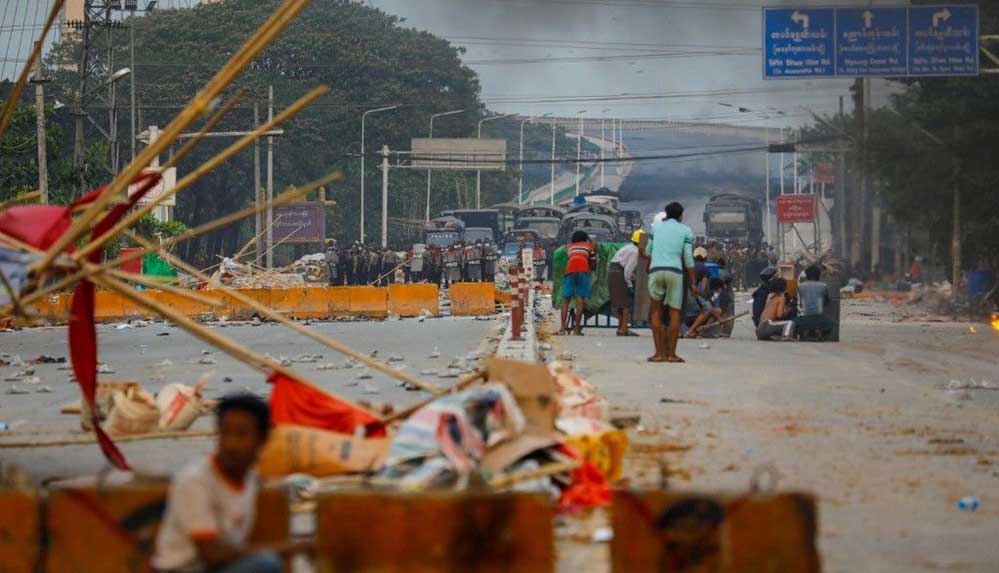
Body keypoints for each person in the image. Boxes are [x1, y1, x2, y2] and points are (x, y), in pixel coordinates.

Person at [152, 394, 309, 573]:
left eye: (242, 435)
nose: (231, 444)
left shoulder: (249, 476)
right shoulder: (195, 482)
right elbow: (212, 555)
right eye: (226, 433)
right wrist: (289, 548)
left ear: (262, 440)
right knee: (266, 563)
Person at [647, 202, 697, 363]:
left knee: (656, 311)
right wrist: (693, 283)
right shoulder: (686, 230)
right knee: (674, 312)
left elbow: (648, 251)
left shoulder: (656, 229)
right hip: (675, 272)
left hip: (656, 270)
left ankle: (658, 354)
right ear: (681, 216)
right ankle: (671, 354)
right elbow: (688, 258)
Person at [558, 230, 596, 336]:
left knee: (566, 300)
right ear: (585, 239)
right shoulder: (589, 246)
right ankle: (576, 329)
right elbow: (593, 263)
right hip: (582, 270)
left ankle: (562, 328)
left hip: (570, 270)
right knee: (580, 301)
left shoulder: (569, 247)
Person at [608, 230, 642, 337]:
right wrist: (630, 284)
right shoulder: (636, 252)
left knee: (620, 304)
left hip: (613, 272)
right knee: (626, 303)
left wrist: (632, 277)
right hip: (620, 275)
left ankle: (620, 327)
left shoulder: (628, 247)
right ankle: (624, 329)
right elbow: (627, 270)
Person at [796, 264, 834, 341]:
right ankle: (819, 332)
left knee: (796, 323)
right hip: (820, 319)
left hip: (804, 318)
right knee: (831, 324)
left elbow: (800, 302)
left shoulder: (800, 286)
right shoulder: (824, 286)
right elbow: (827, 301)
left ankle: (805, 332)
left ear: (806, 275)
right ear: (819, 275)